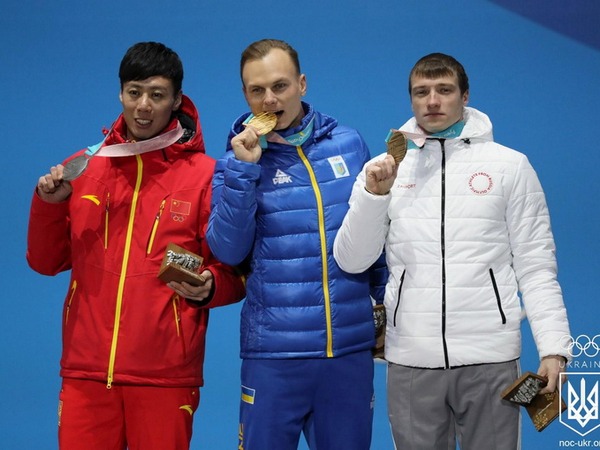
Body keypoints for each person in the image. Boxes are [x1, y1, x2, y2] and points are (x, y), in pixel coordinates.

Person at [333, 52, 571, 449]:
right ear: (411, 99)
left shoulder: (510, 167)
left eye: (444, 90)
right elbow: (352, 260)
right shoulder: (384, 170)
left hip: (490, 358)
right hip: (411, 359)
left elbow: (537, 267)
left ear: (465, 96)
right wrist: (375, 196)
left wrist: (554, 350)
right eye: (421, 92)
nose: (432, 101)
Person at [26, 41, 245, 450]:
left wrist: (210, 287)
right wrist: (49, 205)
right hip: (86, 373)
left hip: (165, 376)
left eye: (157, 95)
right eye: (134, 92)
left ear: (176, 100)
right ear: (121, 94)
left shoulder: (205, 176)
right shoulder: (84, 167)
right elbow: (45, 262)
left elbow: (234, 271)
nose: (143, 106)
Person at [206, 38, 386, 450]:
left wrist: (386, 306)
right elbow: (228, 252)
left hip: (346, 353)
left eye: (280, 86)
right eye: (257, 90)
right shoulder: (234, 162)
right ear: (245, 95)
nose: (269, 100)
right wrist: (243, 171)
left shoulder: (349, 144)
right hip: (273, 356)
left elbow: (376, 234)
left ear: (302, 84)